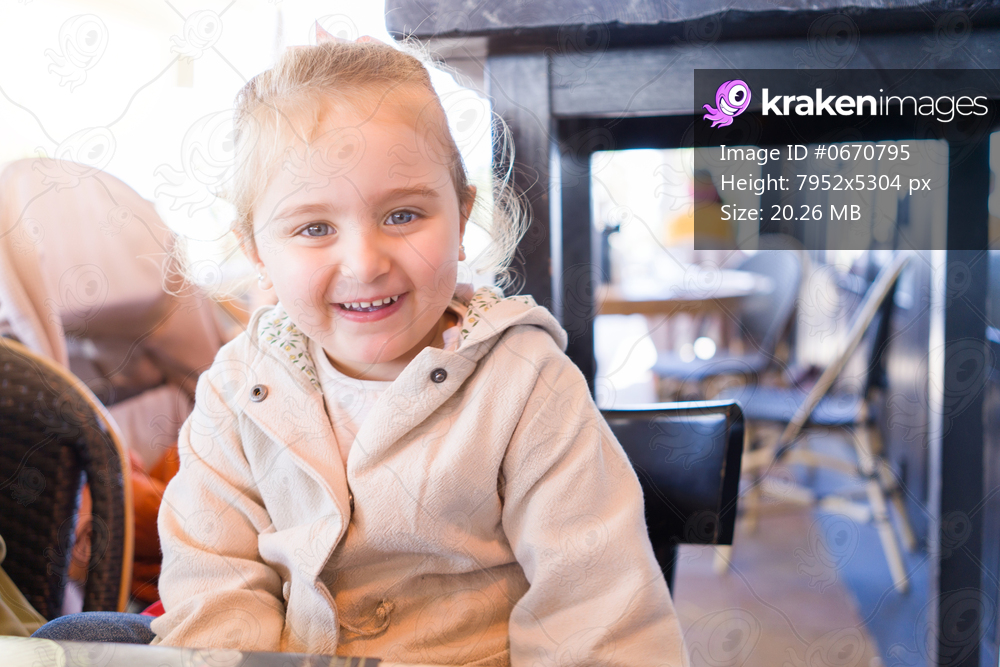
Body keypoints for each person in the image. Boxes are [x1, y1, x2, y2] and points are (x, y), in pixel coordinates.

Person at [33, 34, 687, 666]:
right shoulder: (236, 387)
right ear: (259, 250)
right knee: (73, 633)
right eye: (314, 227)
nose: (364, 262)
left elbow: (597, 616)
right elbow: (215, 584)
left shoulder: (527, 384)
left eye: (403, 214)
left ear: (461, 220)